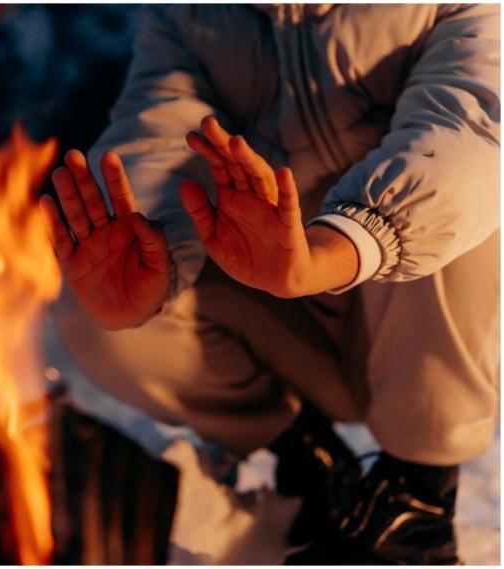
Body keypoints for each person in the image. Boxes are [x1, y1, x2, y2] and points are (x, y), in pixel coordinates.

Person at [39, 4, 499, 564]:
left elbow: (472, 128)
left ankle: (415, 506)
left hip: (435, 337)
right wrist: (146, 250)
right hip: (291, 311)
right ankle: (309, 464)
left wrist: (329, 253)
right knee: (101, 311)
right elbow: (163, 131)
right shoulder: (188, 14)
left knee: (450, 187)